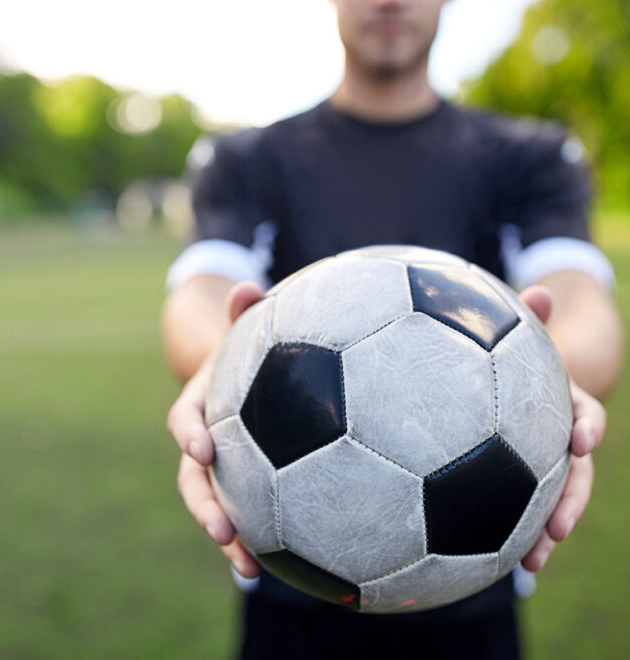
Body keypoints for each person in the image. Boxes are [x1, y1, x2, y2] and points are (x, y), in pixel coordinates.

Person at [163, 1, 623, 657]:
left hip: (474, 593)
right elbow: (200, 295)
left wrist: (546, 384)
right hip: (292, 588)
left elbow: (585, 307)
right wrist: (221, 365)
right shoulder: (250, 158)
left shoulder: (531, 157)